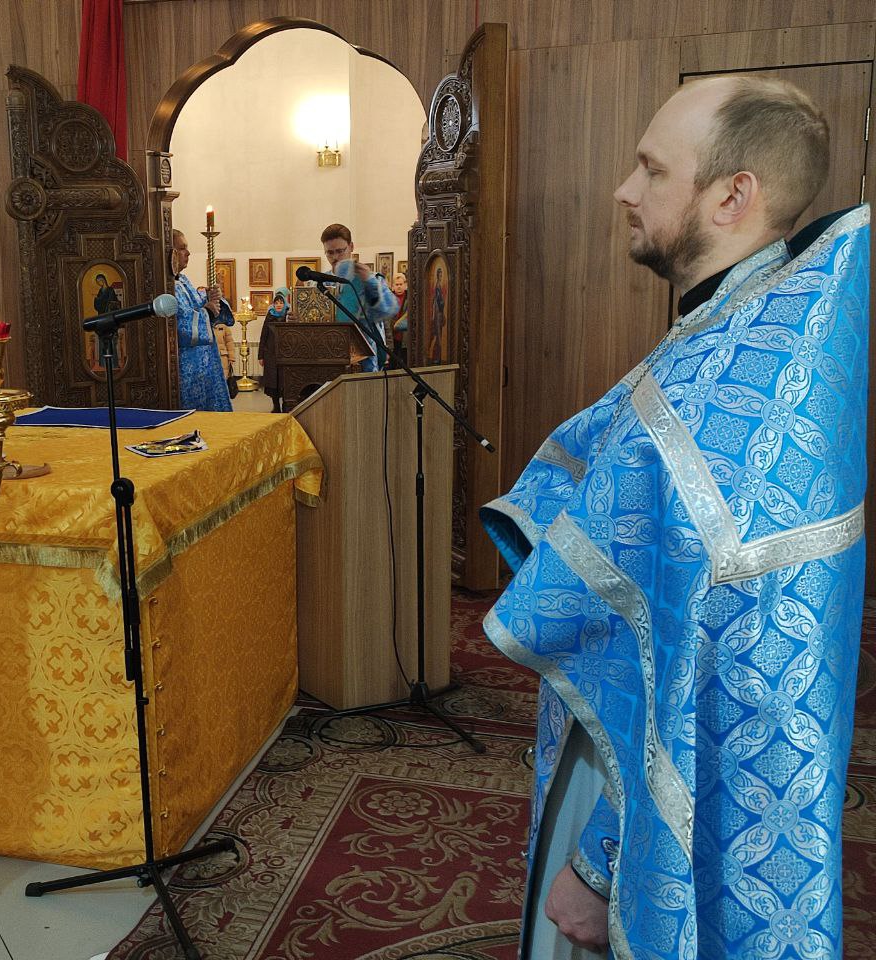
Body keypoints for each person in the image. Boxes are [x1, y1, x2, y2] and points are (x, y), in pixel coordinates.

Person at [480, 76, 868, 959]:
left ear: (734, 195)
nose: (624, 188)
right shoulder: (762, 333)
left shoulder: (718, 403)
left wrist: (599, 866)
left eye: (652, 169)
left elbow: (677, 670)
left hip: (657, 790)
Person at [320, 224, 399, 372]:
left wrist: (368, 282)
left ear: (351, 246)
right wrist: (294, 318)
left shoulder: (369, 278)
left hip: (365, 359)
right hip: (329, 357)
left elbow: (389, 309)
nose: (335, 257)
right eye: (329, 253)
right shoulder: (320, 282)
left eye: (340, 251)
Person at [170, 229, 232, 412]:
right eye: (182, 249)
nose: (188, 253)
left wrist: (212, 297)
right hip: (187, 366)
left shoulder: (183, 281)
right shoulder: (166, 286)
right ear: (170, 253)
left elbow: (198, 305)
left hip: (205, 363)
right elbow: (181, 324)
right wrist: (207, 310)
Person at [258, 287, 290, 412]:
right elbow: (263, 335)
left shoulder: (288, 315)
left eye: (281, 302)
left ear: (285, 303)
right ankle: (276, 406)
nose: (278, 305)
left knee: (284, 381)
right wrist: (260, 355)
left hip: (285, 354)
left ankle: (285, 405)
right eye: (276, 303)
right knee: (273, 382)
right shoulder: (270, 315)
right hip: (270, 354)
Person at [390, 272, 409, 365]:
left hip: (405, 336)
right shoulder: (389, 298)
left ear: (405, 285)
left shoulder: (411, 298)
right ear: (393, 286)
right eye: (396, 284)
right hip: (392, 336)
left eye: (401, 284)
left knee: (405, 363)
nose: (399, 287)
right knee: (392, 363)